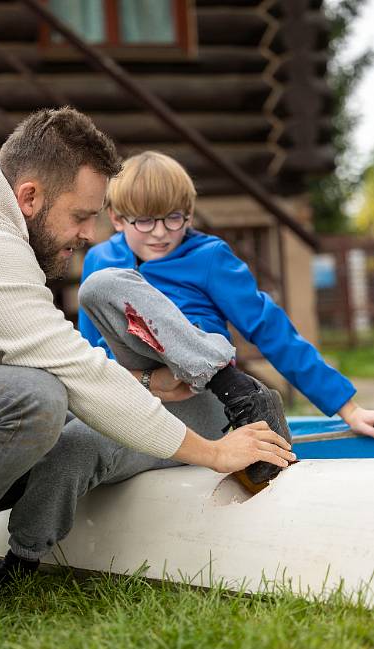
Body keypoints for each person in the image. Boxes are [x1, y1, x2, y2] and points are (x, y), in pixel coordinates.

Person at [0, 109, 294, 634]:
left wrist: (151, 383)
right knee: (36, 400)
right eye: (81, 216)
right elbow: (71, 368)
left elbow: (55, 357)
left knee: (50, 401)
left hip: (187, 385)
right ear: (29, 197)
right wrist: (214, 453)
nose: (90, 233)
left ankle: (233, 387)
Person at [78, 150, 374, 487]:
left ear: (189, 215)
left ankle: (244, 396)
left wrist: (347, 407)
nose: (159, 233)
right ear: (117, 218)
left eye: (173, 218)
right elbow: (89, 348)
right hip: (136, 390)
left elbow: (268, 326)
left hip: (197, 393)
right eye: (144, 221)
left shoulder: (209, 257)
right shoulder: (101, 261)